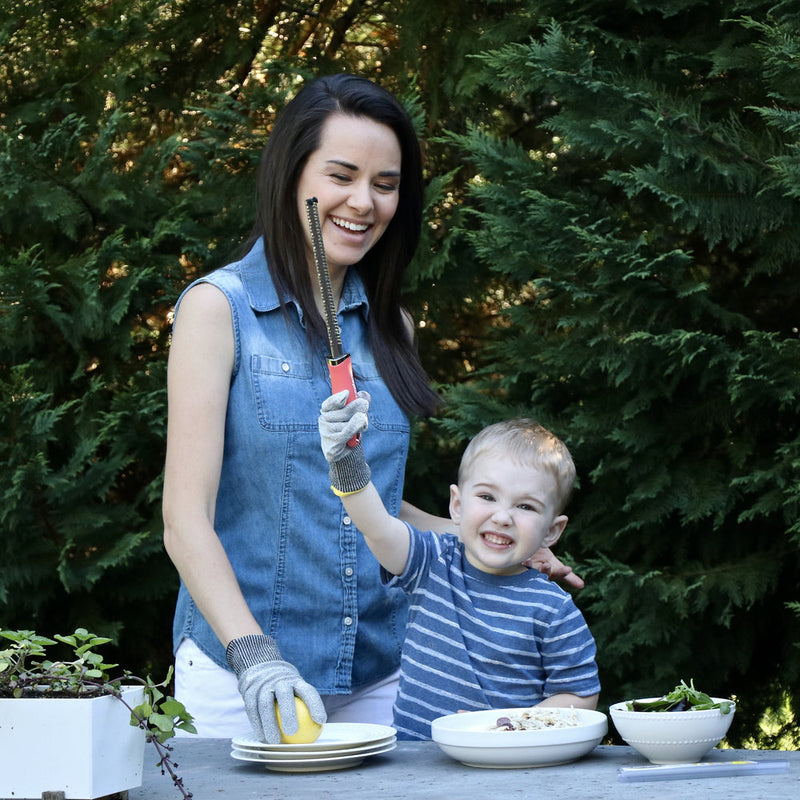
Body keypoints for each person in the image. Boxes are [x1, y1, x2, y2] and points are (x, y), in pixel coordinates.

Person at [162, 72, 581, 744]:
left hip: (386, 671)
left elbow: (375, 503)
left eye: (385, 184)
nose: (363, 202)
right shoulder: (220, 310)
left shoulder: (393, 327)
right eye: (342, 175)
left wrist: (493, 538)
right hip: (239, 679)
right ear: (292, 174)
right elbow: (185, 519)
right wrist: (253, 656)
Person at [319, 401, 600, 740]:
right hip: (415, 765)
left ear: (552, 531)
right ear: (457, 504)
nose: (502, 516)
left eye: (525, 506)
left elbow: (580, 693)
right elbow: (377, 528)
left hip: (506, 769)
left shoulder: (553, 610)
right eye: (487, 496)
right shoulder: (433, 561)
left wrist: (515, 725)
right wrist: (345, 462)